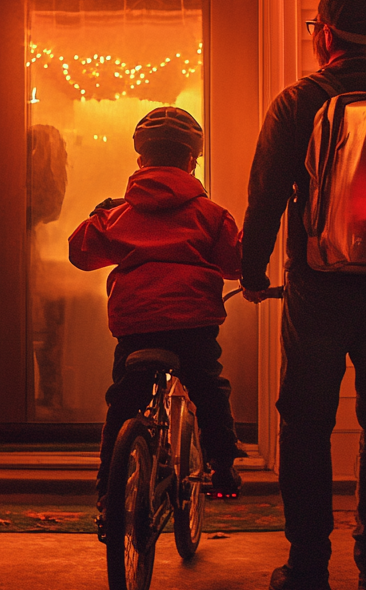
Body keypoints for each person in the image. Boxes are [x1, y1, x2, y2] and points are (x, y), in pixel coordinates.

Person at [241, 0, 366, 590]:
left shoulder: (300, 101)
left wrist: (250, 272)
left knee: (305, 425)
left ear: (323, 33)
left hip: (319, 288)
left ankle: (309, 570)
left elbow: (267, 196)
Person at [68, 106, 246, 534]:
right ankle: (222, 466)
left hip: (136, 326)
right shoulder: (212, 215)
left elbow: (80, 253)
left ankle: (108, 497)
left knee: (123, 404)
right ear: (191, 161)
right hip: (193, 324)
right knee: (208, 386)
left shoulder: (120, 214)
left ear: (141, 161)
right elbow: (235, 264)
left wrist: (99, 212)